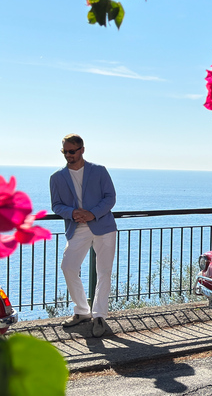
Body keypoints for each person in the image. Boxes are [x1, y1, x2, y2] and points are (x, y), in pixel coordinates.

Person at [50, 134, 117, 338]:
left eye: (72, 151)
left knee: (104, 272)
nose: (68, 155)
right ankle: (81, 311)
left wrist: (92, 213)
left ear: (82, 150)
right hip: (77, 227)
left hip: (103, 226)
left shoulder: (99, 171)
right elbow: (56, 205)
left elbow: (110, 197)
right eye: (65, 152)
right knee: (68, 266)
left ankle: (99, 316)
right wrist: (72, 213)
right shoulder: (56, 177)